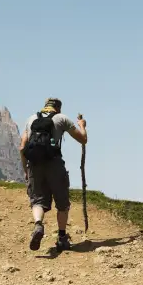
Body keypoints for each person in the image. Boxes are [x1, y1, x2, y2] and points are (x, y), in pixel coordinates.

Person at [19, 97, 87, 252]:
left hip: (35, 165)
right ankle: (62, 238)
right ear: (58, 108)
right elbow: (83, 139)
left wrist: (25, 170)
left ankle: (38, 225)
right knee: (62, 203)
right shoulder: (61, 118)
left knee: (37, 200)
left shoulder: (31, 119)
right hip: (54, 163)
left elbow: (22, 147)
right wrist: (82, 126)